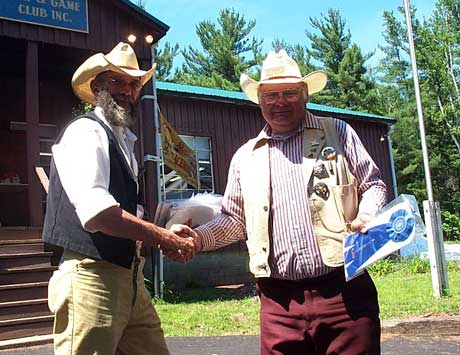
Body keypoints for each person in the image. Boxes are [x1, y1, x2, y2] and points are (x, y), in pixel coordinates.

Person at [178, 50, 388, 354]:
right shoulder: (245, 157)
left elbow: (373, 186)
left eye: (289, 92)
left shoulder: (337, 133)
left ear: (304, 95)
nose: (280, 102)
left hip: (344, 293)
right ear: (259, 100)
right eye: (271, 95)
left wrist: (368, 214)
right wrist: (197, 239)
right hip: (279, 303)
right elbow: (235, 220)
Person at [43, 42, 197, 355]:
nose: (127, 90)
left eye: (134, 84)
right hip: (91, 277)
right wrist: (163, 237)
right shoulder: (85, 132)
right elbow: (98, 213)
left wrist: (165, 229)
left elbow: (125, 212)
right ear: (97, 86)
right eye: (117, 82)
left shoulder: (125, 141)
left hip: (131, 277)